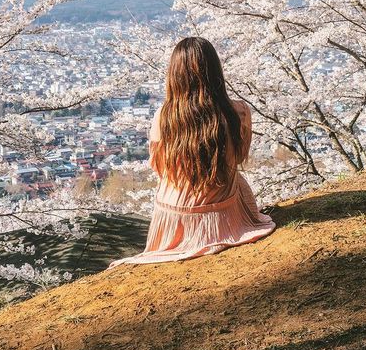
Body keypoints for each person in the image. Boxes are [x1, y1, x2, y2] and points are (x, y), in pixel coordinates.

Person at [108, 37, 276, 266]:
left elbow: (160, 167)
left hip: (173, 213)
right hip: (221, 209)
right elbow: (238, 156)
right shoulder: (238, 112)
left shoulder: (163, 117)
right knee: (237, 179)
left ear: (174, 75)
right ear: (215, 70)